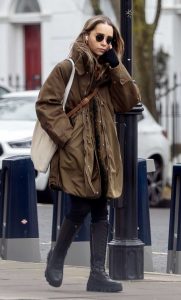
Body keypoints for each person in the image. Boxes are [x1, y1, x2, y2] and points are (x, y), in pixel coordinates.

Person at [36, 15, 141, 293]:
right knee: (81, 206)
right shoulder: (67, 68)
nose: (105, 43)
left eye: (110, 39)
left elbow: (130, 101)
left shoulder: (108, 73)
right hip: (76, 151)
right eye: (100, 37)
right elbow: (46, 104)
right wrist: (68, 138)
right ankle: (56, 258)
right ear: (86, 36)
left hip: (104, 152)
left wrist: (117, 67)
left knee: (100, 208)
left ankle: (97, 274)